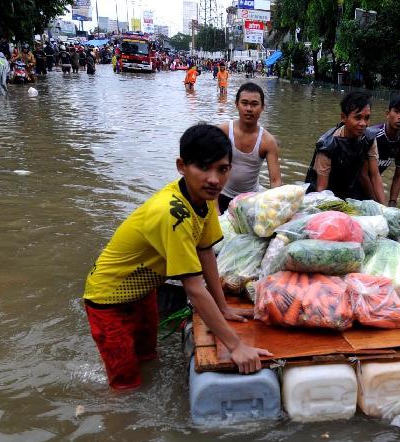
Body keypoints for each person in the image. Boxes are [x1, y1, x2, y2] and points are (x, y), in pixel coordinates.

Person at [83, 124, 271, 389]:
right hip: (108, 300)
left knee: (148, 357)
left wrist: (223, 307)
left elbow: (206, 253)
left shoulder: (203, 198)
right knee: (124, 384)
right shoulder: (173, 212)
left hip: (144, 290)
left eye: (222, 168)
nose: (214, 179)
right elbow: (194, 289)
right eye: (203, 167)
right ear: (181, 166)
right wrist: (236, 345)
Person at [306, 91, 386, 203]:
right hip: (322, 196)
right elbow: (321, 190)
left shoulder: (369, 138)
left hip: (349, 192)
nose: (363, 123)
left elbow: (375, 175)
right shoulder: (327, 146)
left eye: (367, 118)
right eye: (357, 118)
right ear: (343, 117)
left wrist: (383, 208)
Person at [217, 82, 283, 213]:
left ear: (262, 107)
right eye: (244, 103)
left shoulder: (268, 141)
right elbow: (208, 168)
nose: (249, 108)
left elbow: (275, 181)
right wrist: (214, 207)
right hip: (221, 195)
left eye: (254, 104)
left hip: (250, 201)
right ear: (237, 105)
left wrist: (276, 210)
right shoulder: (223, 131)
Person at [367, 94, 400, 207]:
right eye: (397, 111)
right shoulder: (372, 135)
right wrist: (377, 202)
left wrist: (392, 203)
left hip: (374, 185)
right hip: (358, 182)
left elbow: (398, 176)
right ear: (387, 114)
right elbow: (362, 174)